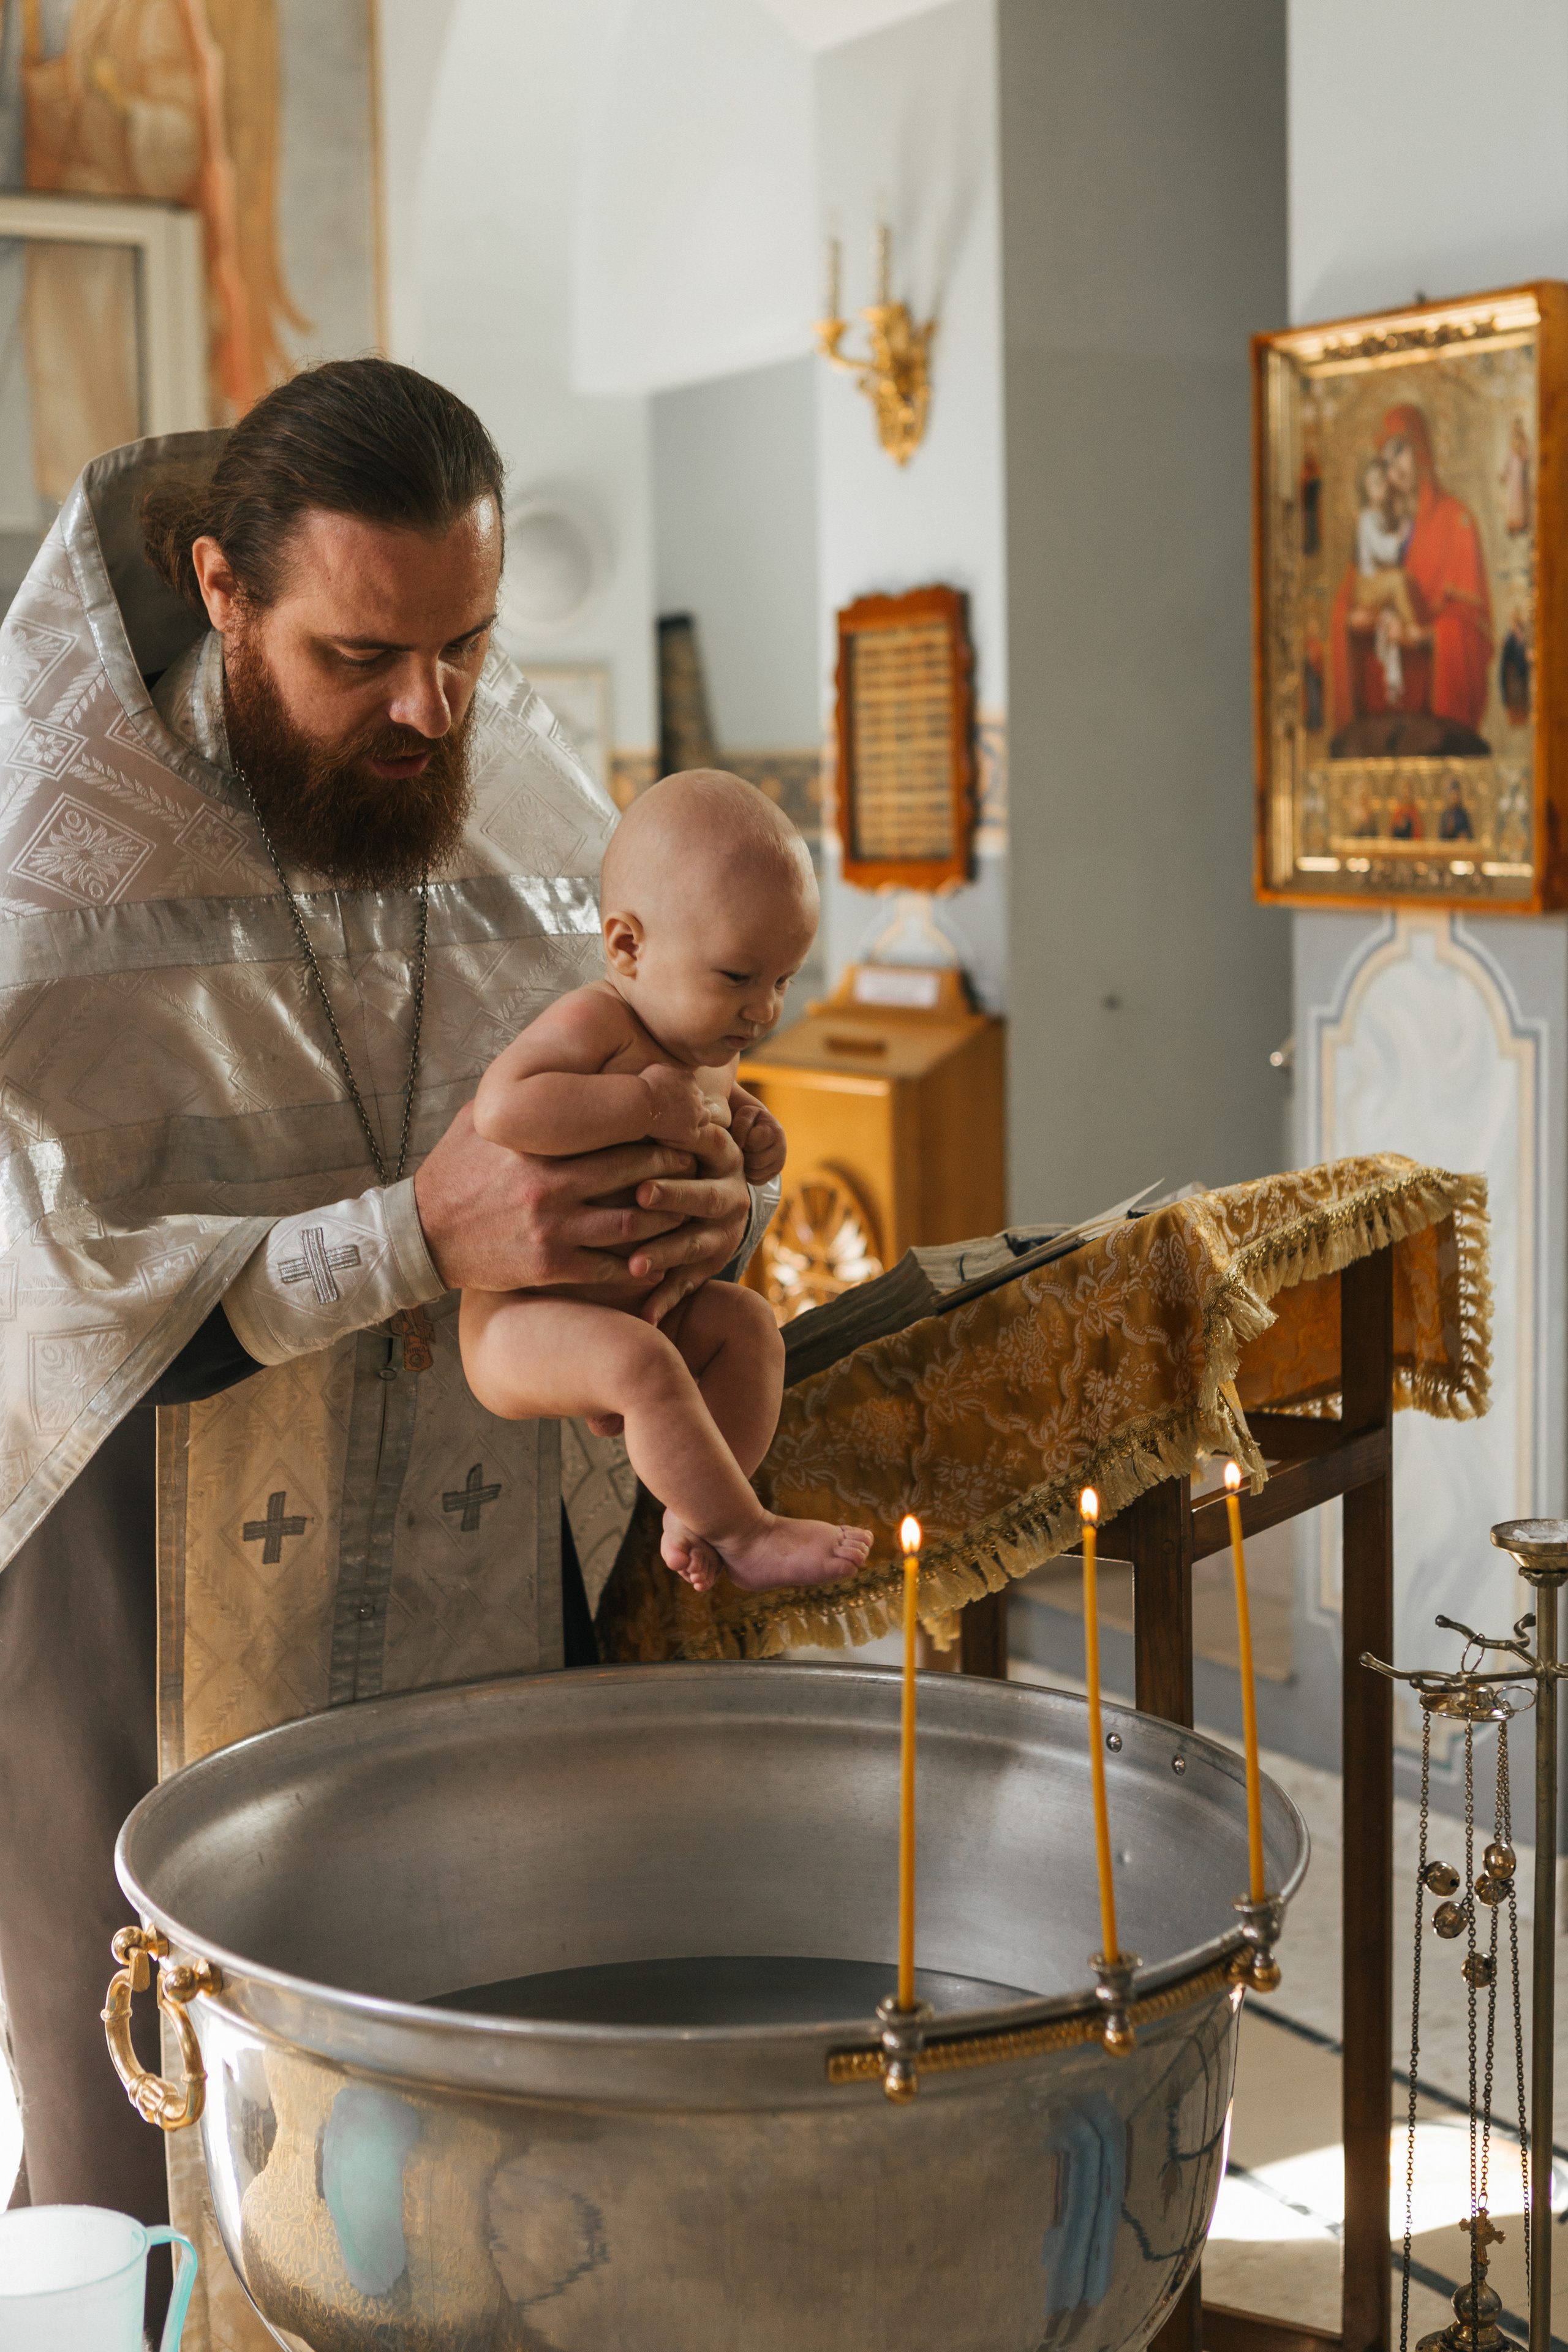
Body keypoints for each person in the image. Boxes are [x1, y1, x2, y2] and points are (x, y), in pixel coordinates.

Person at [0, 359, 770, 2352]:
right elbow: (44, 1280)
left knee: (503, 2114)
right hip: (140, 1571)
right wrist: (417, 1236)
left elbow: (634, 1056)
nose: (435, 711)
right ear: (222, 592)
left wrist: (701, 1194)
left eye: (470, 645)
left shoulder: (490, 768)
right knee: (164, 2123)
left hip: (475, 1541)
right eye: (364, 656)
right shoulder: (42, 829)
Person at [464, 771, 873, 1597]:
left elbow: (711, 1120)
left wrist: (752, 1130)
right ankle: (744, 1532)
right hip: (520, 1321)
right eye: (736, 977)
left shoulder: (707, 1054)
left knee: (751, 1328)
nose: (763, 1011)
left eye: (784, 981)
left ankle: (698, 1504)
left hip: (640, 1304)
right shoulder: (596, 1024)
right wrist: (639, 1101)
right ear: (627, 948)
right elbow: (503, 1110)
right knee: (643, 1365)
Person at [1329, 403, 1493, 756]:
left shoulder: (1457, 521)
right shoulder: (1381, 523)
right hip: (1383, 716)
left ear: (1421, 446)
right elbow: (1350, 602)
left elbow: (1475, 631)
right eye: (1385, 462)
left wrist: (1422, 636)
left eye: (1400, 451)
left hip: (1438, 721)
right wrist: (1362, 621)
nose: (1395, 469)